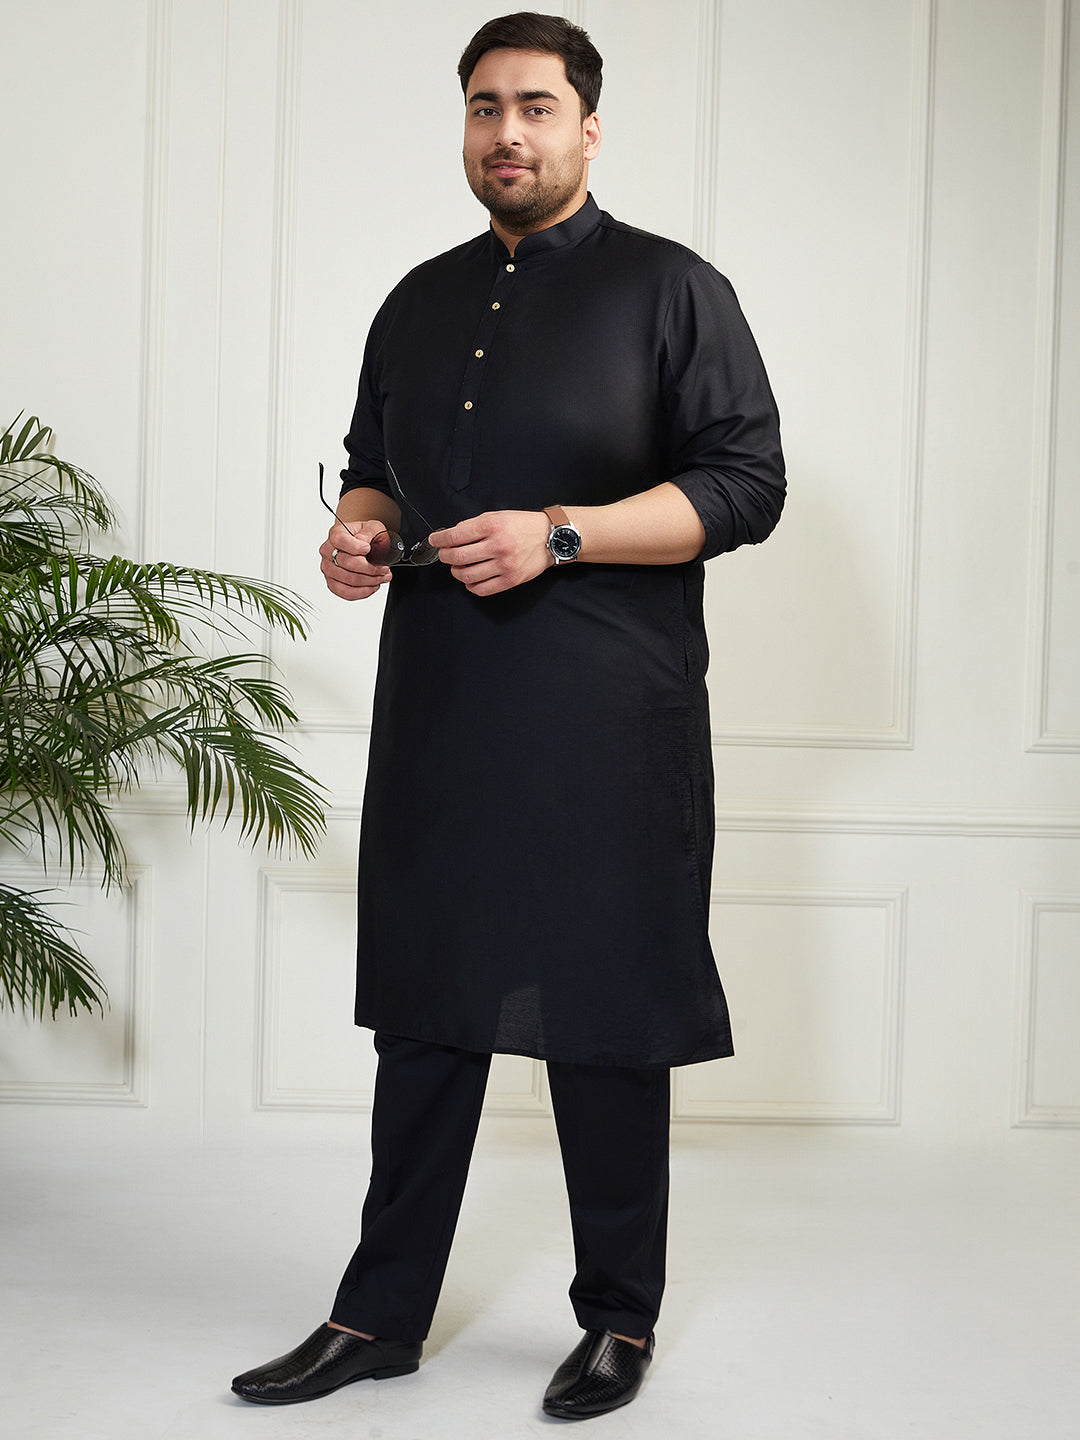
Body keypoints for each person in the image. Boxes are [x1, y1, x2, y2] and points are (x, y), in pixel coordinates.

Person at [231, 10, 784, 1421]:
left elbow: (746, 486)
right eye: (486, 107)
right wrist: (361, 530)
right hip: (441, 707)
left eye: (536, 107)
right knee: (426, 1013)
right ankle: (377, 1316)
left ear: (589, 128)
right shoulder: (416, 299)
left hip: (610, 721)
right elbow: (373, 464)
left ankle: (619, 1322)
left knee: (605, 1015)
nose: (508, 132)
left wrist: (563, 534)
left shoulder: (673, 289)